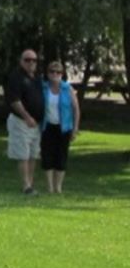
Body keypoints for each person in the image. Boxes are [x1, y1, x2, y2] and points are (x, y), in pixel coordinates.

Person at [4, 49, 44, 195]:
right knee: (23, 154)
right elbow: (14, 101)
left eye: (34, 60)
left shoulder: (36, 78)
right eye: (27, 60)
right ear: (21, 61)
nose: (31, 63)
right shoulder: (16, 77)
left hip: (36, 124)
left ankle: (31, 183)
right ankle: (26, 186)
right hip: (21, 122)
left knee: (33, 154)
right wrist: (27, 117)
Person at [40, 61, 81, 193]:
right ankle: (50, 187)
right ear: (47, 73)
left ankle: (58, 187)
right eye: (52, 71)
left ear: (62, 74)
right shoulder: (43, 88)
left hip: (64, 128)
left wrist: (75, 128)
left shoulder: (67, 89)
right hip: (47, 127)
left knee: (61, 156)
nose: (55, 74)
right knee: (47, 156)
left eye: (58, 72)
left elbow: (76, 109)